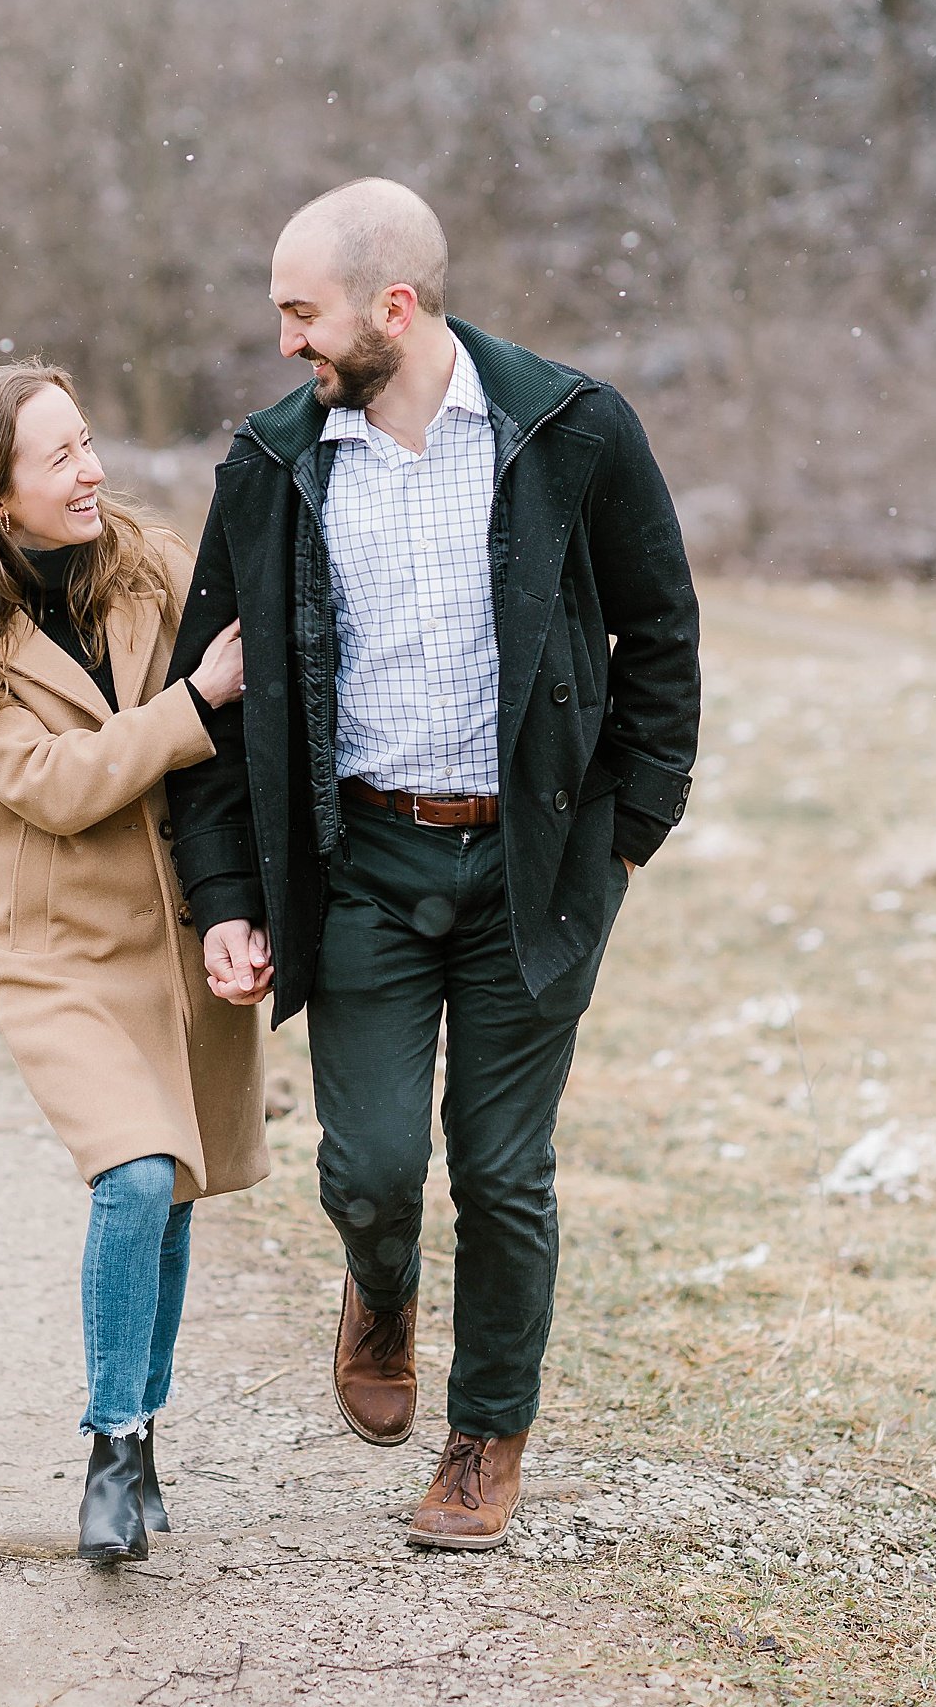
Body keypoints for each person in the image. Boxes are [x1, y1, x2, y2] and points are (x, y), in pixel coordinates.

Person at [167, 179, 699, 1550]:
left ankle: (483, 1441)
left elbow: (663, 635)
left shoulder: (574, 433)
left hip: (536, 867)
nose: (284, 339)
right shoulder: (273, 466)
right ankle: (380, 1284)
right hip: (359, 869)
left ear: (391, 308)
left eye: (302, 311)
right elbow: (215, 708)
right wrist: (229, 896)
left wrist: (629, 832)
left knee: (505, 1173)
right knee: (373, 1165)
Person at [0, 360, 267, 1564]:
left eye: (86, 441)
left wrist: (236, 907)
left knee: (179, 1185)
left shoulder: (148, 565)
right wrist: (194, 701)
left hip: (173, 927)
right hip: (55, 951)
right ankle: (109, 1447)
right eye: (59, 456)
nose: (91, 469)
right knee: (137, 1174)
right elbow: (54, 785)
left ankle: (142, 1438)